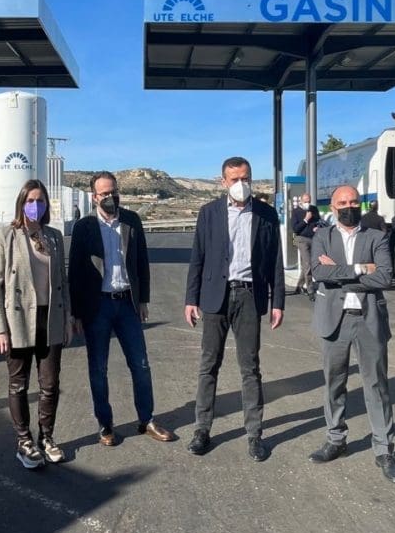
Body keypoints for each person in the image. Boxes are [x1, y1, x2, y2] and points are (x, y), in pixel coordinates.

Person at [184, 156, 285, 462]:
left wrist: (278, 302)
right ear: (223, 181)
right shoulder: (209, 213)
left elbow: (275, 261)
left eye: (245, 178)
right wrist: (191, 298)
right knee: (208, 365)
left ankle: (255, 434)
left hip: (249, 297)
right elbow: (198, 257)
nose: (241, 184)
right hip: (215, 297)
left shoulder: (266, 214)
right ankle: (202, 429)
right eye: (235, 179)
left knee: (250, 368)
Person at [68, 171, 173, 447]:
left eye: (113, 191)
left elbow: (142, 263)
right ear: (94, 197)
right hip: (97, 307)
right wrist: (75, 313)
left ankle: (147, 419)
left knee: (141, 365)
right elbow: (75, 272)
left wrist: (143, 300)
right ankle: (105, 425)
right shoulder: (84, 227)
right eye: (104, 193)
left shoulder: (131, 221)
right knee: (98, 369)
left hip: (127, 304)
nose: (110, 197)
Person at [309, 184, 395, 484]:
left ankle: (384, 450)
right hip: (333, 319)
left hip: (369, 319)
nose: (348, 207)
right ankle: (336, 439)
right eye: (342, 203)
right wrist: (362, 269)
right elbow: (319, 273)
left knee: (376, 384)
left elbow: (385, 277)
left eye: (353, 202)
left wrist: (340, 273)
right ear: (332, 208)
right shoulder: (321, 236)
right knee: (334, 382)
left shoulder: (376, 236)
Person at [0, 179, 71, 469]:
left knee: (50, 384)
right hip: (19, 319)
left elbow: (63, 281)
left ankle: (46, 438)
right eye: (30, 200)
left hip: (51, 318)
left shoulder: (54, 237)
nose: (36, 205)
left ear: (47, 204)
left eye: (40, 200)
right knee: (18, 384)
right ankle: (24, 441)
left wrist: (68, 319)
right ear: (21, 203)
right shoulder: (6, 236)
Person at [291, 197, 322, 297]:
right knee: (307, 263)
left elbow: (318, 221)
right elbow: (295, 229)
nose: (307, 203)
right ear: (301, 201)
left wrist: (317, 227)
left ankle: (299, 286)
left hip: (312, 238)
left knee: (308, 265)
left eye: (309, 201)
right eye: (305, 201)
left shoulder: (313, 209)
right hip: (301, 239)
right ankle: (310, 289)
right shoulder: (296, 211)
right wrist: (306, 219)